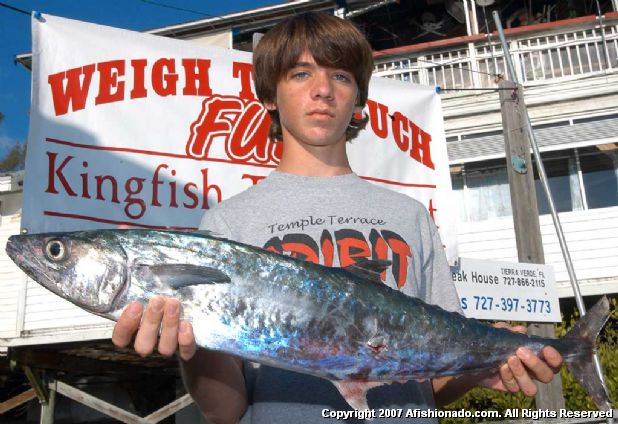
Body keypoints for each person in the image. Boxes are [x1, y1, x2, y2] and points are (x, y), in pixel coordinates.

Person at [112, 11, 563, 424]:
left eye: (341, 75)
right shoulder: (228, 224)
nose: (323, 90)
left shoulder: (409, 216)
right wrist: (191, 345)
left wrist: (482, 364)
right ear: (270, 96)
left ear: (360, 102)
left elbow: (428, 387)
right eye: (301, 73)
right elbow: (226, 411)